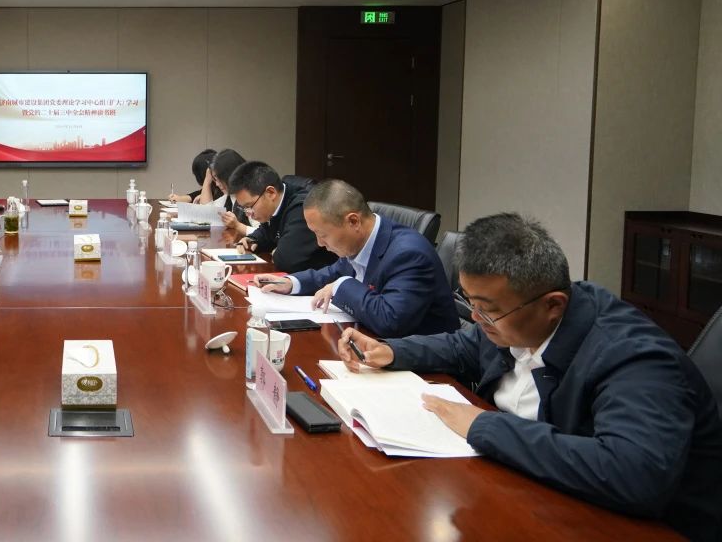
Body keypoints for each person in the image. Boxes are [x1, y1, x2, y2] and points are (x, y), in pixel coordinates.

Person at [336, 213, 722, 541]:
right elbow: (464, 346)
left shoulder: (635, 359)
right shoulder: (516, 319)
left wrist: (484, 426)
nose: (476, 318)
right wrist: (392, 351)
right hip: (527, 489)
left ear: (553, 305)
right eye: (471, 303)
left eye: (487, 310)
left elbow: (633, 475)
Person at [256, 178, 458, 337]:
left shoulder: (409, 254)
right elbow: (334, 272)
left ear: (353, 221)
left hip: (425, 367)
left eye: (323, 234)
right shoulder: (362, 239)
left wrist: (340, 286)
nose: (319, 243)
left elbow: (390, 320)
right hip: (373, 343)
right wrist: (291, 283)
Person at [229, 161, 336, 273]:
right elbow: (267, 233)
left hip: (324, 279)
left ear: (271, 193)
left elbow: (286, 260)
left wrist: (277, 251)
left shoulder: (303, 208)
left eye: (249, 206)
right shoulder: (277, 203)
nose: (248, 214)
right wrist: (252, 239)